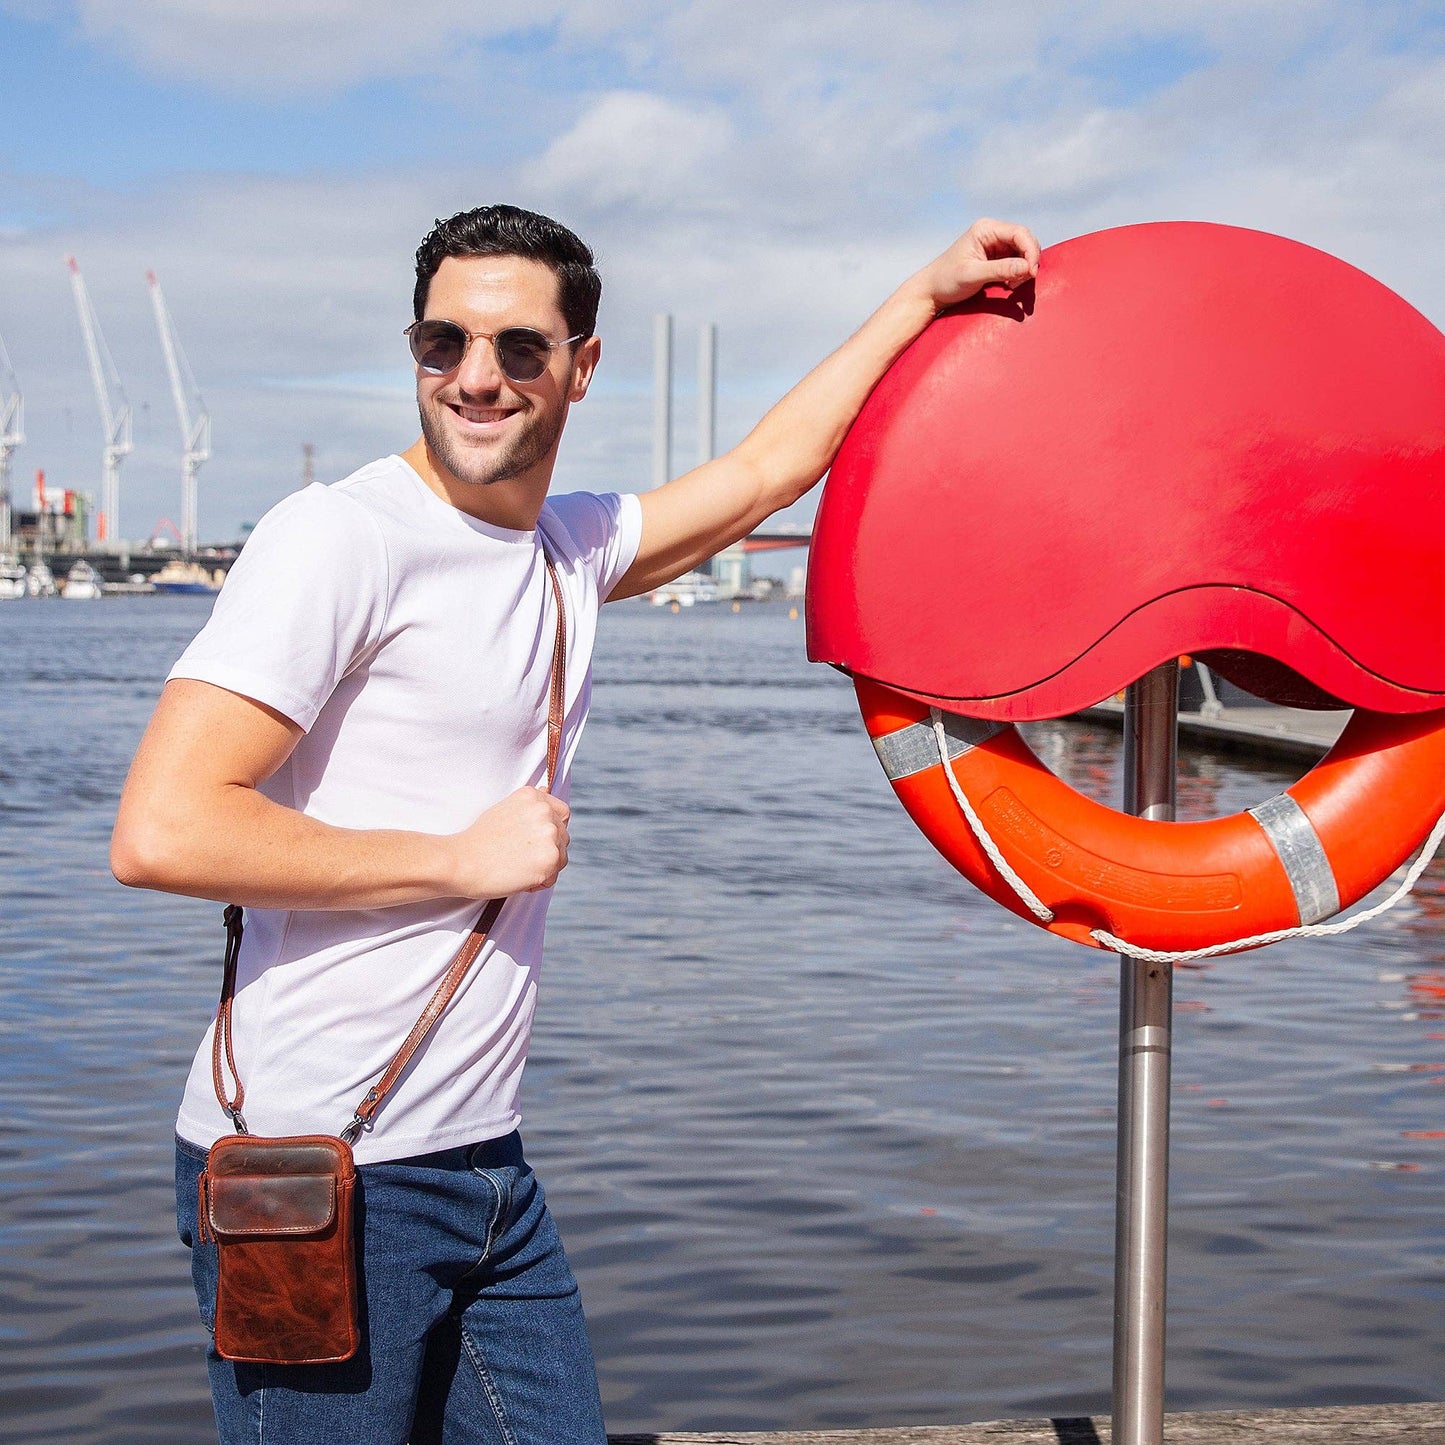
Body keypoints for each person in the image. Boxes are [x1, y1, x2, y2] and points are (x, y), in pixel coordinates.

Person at [111, 203, 1039, 1444]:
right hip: (318, 1171)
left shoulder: (570, 548)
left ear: (580, 365)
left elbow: (767, 469)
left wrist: (922, 295)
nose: (475, 378)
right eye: (443, 344)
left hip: (482, 1166)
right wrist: (456, 858)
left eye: (517, 348)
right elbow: (163, 829)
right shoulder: (339, 538)